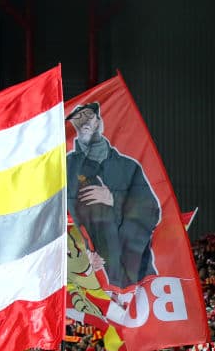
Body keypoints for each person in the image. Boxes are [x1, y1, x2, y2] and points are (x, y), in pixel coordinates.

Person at [66, 102, 161, 288]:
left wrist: (113, 199)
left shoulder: (128, 167)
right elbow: (56, 218)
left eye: (89, 117)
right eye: (78, 120)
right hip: (90, 276)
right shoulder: (66, 168)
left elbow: (151, 212)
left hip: (134, 275)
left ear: (99, 122)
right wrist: (83, 252)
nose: (84, 124)